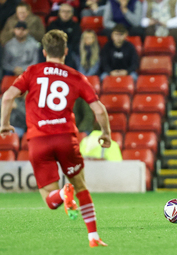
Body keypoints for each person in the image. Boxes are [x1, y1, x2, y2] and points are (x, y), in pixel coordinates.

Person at [0, 29, 111, 247]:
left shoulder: (32, 72)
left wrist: (4, 124)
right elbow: (99, 109)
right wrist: (106, 133)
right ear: (66, 52)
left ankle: (62, 192)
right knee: (81, 186)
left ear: (44, 52)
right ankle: (93, 237)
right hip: (65, 138)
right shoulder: (76, 76)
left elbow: (8, 96)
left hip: (39, 141)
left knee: (51, 200)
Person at [47, 3, 82, 69]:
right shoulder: (53, 25)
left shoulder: (76, 26)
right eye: (63, 11)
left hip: (69, 51)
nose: (65, 14)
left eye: (68, 12)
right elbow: (49, 39)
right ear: (59, 13)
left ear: (72, 13)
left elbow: (75, 41)